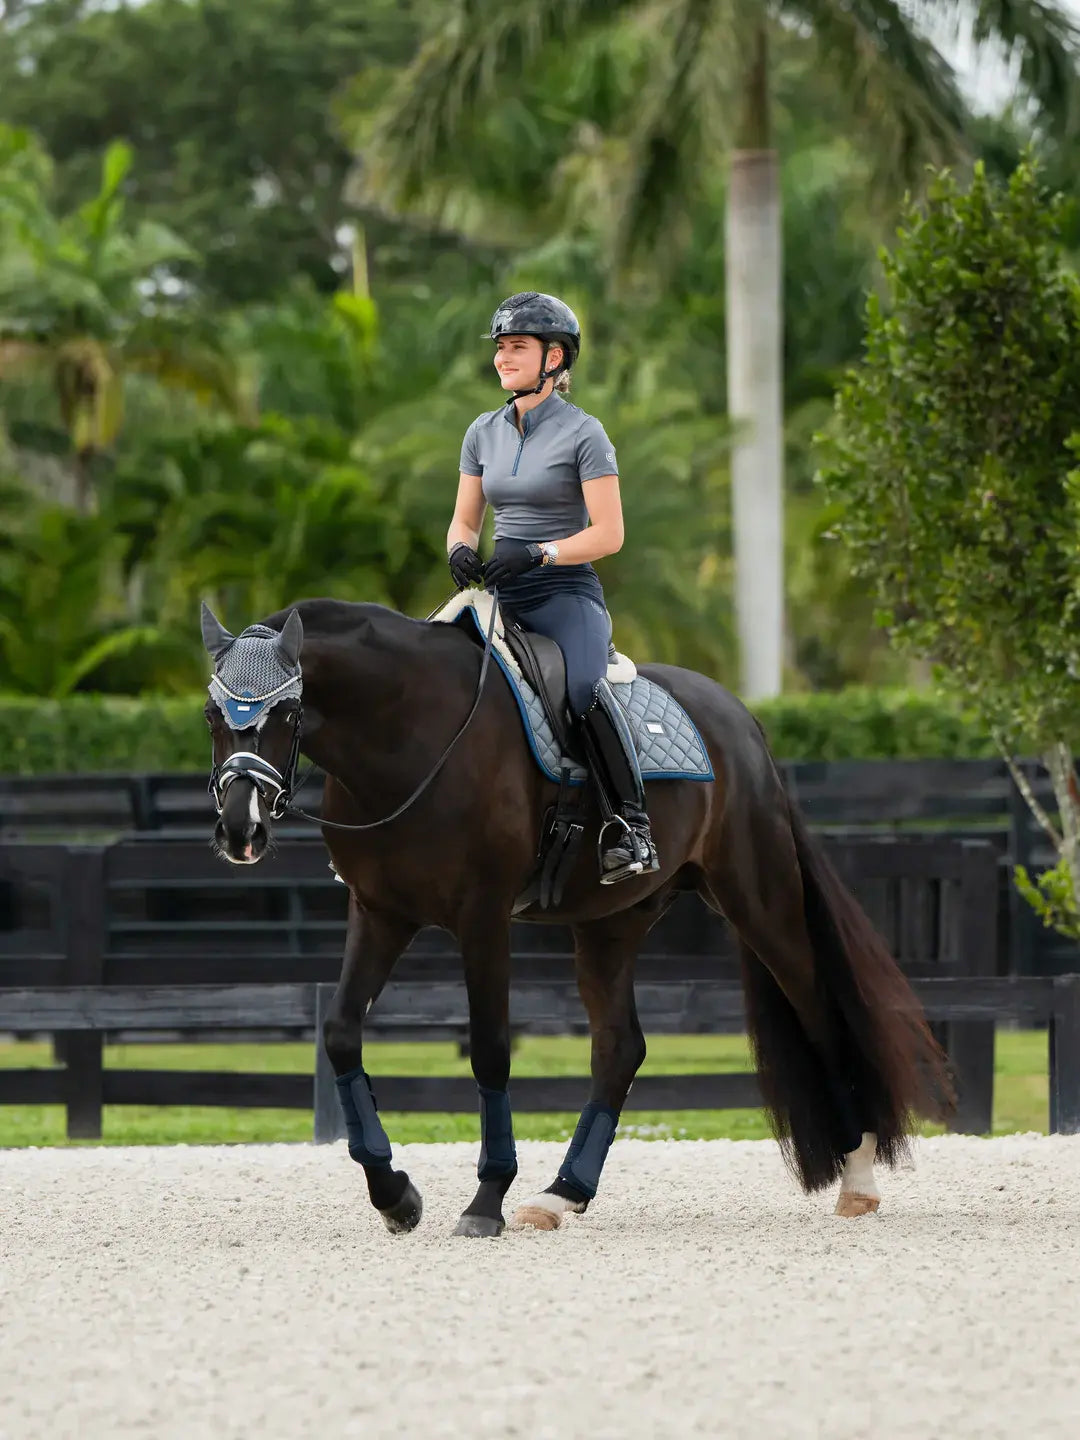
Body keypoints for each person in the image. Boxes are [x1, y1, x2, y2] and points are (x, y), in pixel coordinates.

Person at [446, 290, 659, 885]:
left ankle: (630, 826)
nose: (502, 359)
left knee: (586, 690)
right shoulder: (482, 432)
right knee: (428, 672)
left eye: (517, 347)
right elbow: (466, 517)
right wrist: (460, 548)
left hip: (564, 596)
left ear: (555, 357)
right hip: (500, 593)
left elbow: (610, 534)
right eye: (500, 348)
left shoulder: (586, 434)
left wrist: (543, 552)